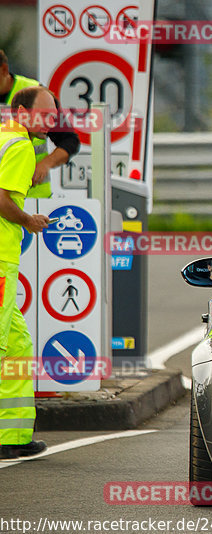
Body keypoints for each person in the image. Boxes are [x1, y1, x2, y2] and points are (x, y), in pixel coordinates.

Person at [0, 86, 53, 459]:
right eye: (45, 114)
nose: (51, 121)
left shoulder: (4, 138)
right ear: (21, 111)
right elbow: (2, 198)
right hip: (1, 259)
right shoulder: (19, 147)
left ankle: (13, 437)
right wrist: (28, 219)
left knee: (17, 347)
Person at [0, 49, 79, 198]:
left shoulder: (37, 95)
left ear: (4, 69)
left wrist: (45, 165)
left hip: (34, 197)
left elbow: (69, 141)